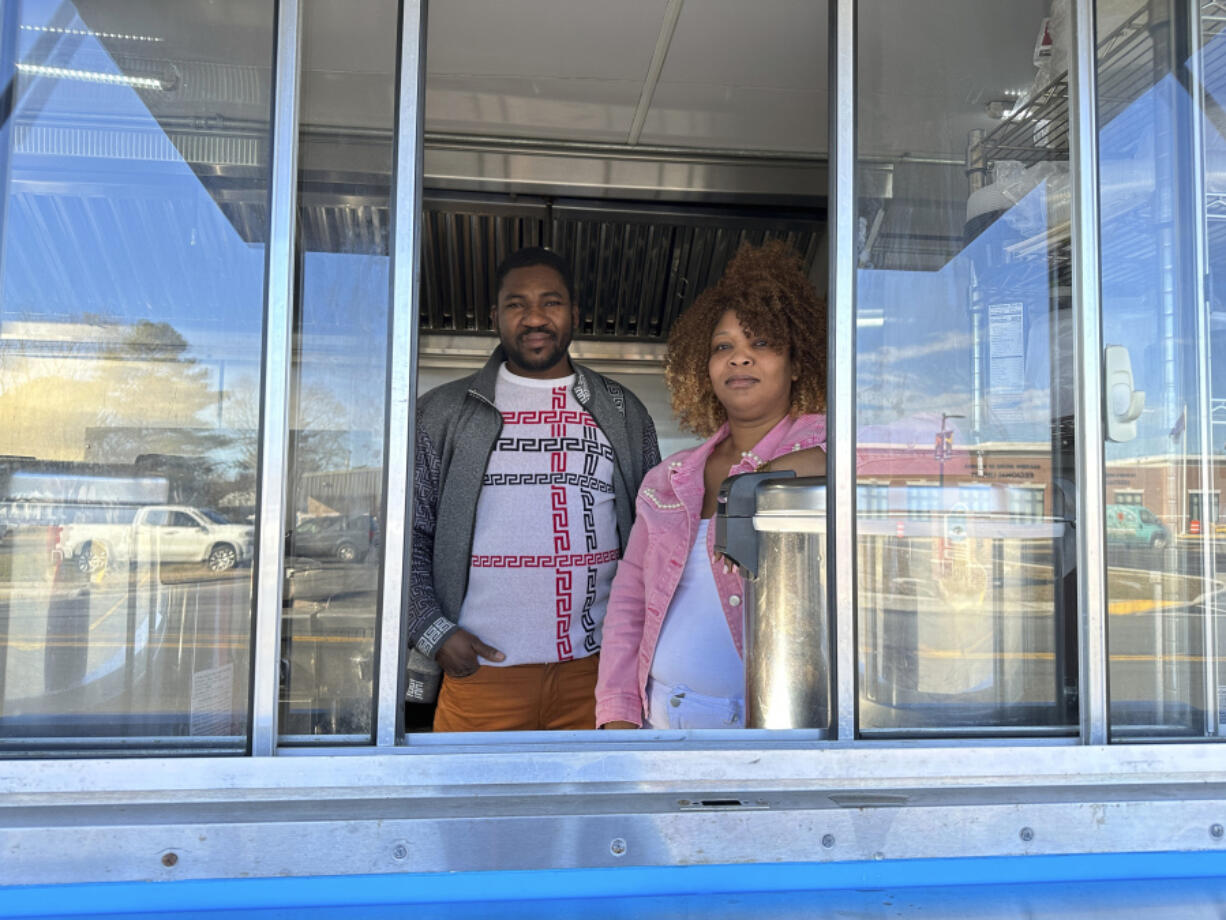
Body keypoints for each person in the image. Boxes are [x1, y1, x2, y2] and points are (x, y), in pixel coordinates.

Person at [409, 246, 660, 732]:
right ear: (495, 316)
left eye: (551, 302)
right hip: (482, 675)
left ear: (575, 314)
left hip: (599, 676)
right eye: (516, 304)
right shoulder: (440, 412)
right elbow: (408, 533)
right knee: (471, 808)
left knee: (596, 809)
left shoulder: (622, 411)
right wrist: (433, 633)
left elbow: (657, 537)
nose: (535, 318)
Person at [595, 241, 827, 730]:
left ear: (797, 361)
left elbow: (917, 459)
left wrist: (783, 471)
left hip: (781, 726)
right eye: (724, 347)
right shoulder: (668, 480)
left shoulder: (836, 445)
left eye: (760, 344)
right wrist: (616, 715)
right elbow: (629, 604)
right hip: (665, 719)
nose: (739, 359)